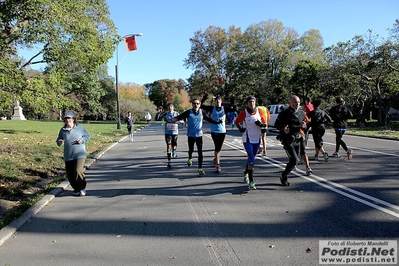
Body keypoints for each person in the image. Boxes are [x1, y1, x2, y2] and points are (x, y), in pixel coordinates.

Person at [170, 99, 222, 176]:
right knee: (191, 150)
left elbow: (209, 119)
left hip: (199, 135)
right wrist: (170, 120)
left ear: (200, 105)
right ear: (192, 104)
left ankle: (200, 168)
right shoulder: (189, 112)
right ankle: (190, 158)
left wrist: (217, 122)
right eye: (194, 103)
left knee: (200, 152)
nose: (196, 105)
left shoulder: (202, 113)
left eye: (197, 103)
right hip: (191, 135)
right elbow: (179, 117)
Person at [275, 95, 312, 187]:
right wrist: (283, 129)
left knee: (295, 161)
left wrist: (304, 126)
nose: (297, 104)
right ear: (289, 103)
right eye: (295, 102)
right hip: (287, 139)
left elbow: (305, 125)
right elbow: (276, 125)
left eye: (298, 102)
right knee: (294, 160)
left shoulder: (301, 113)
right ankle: (284, 176)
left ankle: (284, 174)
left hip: (297, 138)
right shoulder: (284, 113)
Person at [235, 96, 268, 190]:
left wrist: (261, 125)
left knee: (251, 158)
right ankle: (252, 181)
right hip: (247, 139)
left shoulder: (260, 112)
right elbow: (237, 121)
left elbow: (265, 125)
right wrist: (240, 129)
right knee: (251, 158)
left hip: (256, 139)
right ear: (247, 103)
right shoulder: (244, 112)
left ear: (255, 103)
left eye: (253, 102)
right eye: (249, 102)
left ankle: (245, 172)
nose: (251, 103)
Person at [56, 111, 91, 196]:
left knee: (78, 170)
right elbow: (58, 140)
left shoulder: (80, 128)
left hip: (79, 153)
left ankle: (82, 187)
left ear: (74, 119)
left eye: (69, 118)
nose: (68, 120)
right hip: (68, 155)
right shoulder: (63, 130)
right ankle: (76, 188)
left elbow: (87, 136)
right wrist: (60, 142)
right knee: (70, 173)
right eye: (66, 118)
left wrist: (82, 140)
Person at [200, 95, 237, 173]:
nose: (218, 102)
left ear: (221, 102)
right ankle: (218, 164)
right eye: (216, 101)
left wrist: (233, 102)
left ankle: (215, 159)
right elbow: (201, 106)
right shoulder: (212, 108)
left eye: (219, 101)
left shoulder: (224, 109)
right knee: (217, 147)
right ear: (215, 102)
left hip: (222, 131)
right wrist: (203, 99)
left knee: (219, 148)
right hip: (214, 131)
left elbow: (234, 109)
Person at [157, 103, 180, 169]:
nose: (170, 108)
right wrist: (160, 114)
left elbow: (181, 120)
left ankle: (174, 151)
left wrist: (177, 122)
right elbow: (160, 119)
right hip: (168, 132)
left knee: (174, 144)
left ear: (173, 108)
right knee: (168, 146)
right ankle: (169, 162)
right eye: (169, 107)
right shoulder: (165, 114)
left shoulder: (176, 113)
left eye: (171, 107)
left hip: (175, 132)